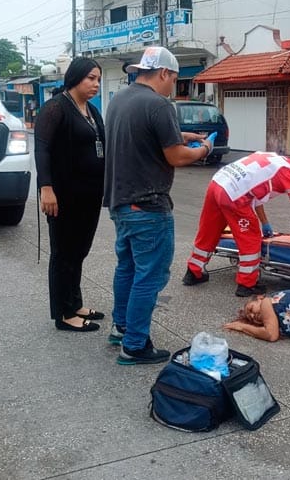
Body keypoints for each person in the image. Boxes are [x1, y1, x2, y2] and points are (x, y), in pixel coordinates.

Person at [104, 46, 214, 365]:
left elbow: (146, 135)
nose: (173, 87)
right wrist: (203, 148)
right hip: (148, 206)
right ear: (164, 73)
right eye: (174, 79)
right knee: (150, 276)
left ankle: (121, 327)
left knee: (127, 267)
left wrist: (183, 134)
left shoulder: (120, 100)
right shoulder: (159, 104)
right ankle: (135, 345)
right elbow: (177, 156)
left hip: (120, 202)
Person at [183, 148, 290, 297]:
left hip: (218, 183)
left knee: (209, 230)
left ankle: (193, 272)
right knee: (251, 240)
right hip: (234, 195)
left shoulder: (275, 159)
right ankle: (247, 284)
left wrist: (265, 223)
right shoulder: (288, 172)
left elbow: (255, 196)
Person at [35, 57, 106, 332]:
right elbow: (42, 150)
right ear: (75, 77)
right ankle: (63, 314)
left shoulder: (91, 111)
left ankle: (75, 303)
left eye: (98, 79)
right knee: (63, 253)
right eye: (91, 78)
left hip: (89, 195)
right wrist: (47, 188)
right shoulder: (55, 108)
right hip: (63, 195)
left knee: (79, 252)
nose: (96, 84)